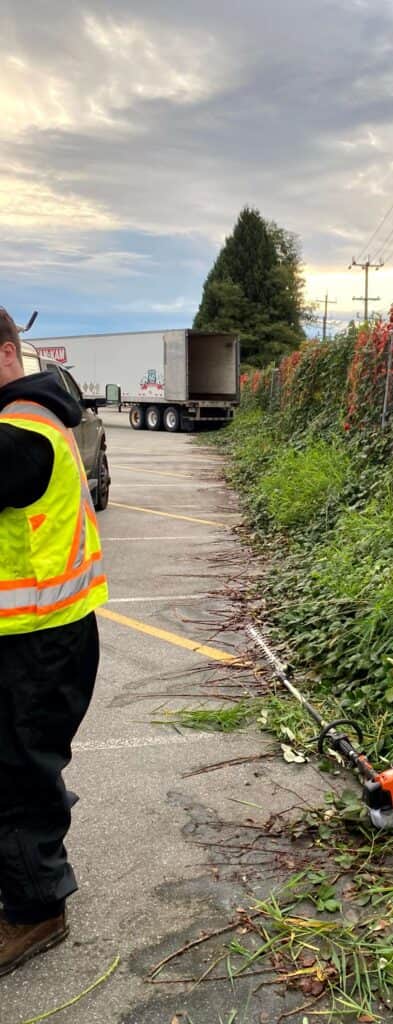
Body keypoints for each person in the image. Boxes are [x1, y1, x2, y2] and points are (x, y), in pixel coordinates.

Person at [0, 309, 108, 976]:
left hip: (38, 643)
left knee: (15, 774)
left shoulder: (20, 434)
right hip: (39, 634)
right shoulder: (37, 418)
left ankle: (37, 911)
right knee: (22, 767)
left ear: (6, 354)